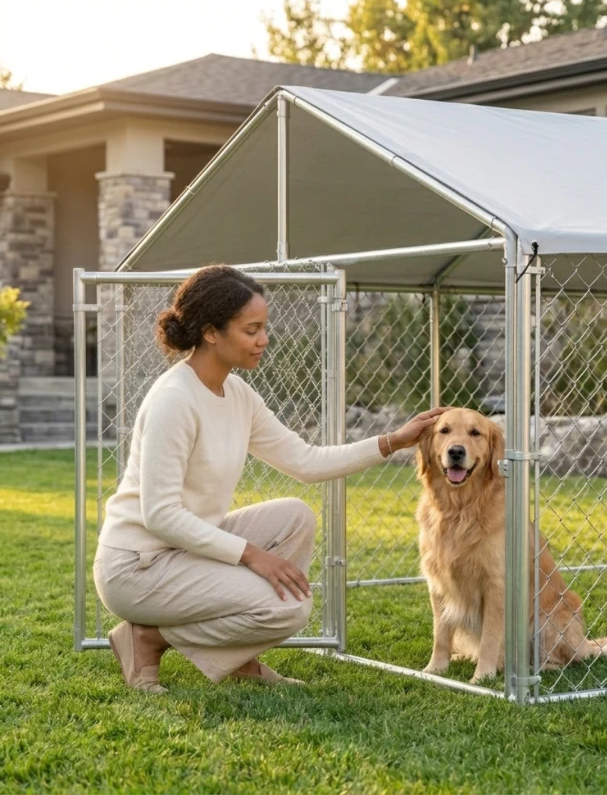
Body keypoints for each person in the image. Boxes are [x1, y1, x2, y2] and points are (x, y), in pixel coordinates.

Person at [93, 264, 447, 693]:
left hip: (185, 551)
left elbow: (306, 462)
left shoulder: (238, 394)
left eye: (264, 327)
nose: (264, 339)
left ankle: (239, 656)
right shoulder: (174, 400)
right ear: (210, 332)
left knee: (295, 517)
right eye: (251, 329)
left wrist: (394, 440)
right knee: (290, 610)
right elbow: (161, 515)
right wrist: (251, 555)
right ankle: (145, 637)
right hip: (137, 567)